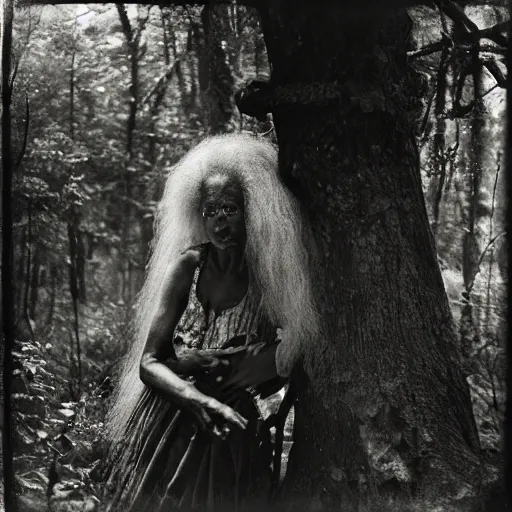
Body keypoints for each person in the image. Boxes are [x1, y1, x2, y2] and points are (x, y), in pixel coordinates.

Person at [104, 134, 318, 512]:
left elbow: (291, 352)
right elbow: (149, 362)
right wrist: (198, 399)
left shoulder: (269, 278)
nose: (220, 223)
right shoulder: (189, 265)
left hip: (231, 427)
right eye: (211, 211)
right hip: (167, 415)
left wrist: (263, 364)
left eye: (231, 210)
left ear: (251, 211)